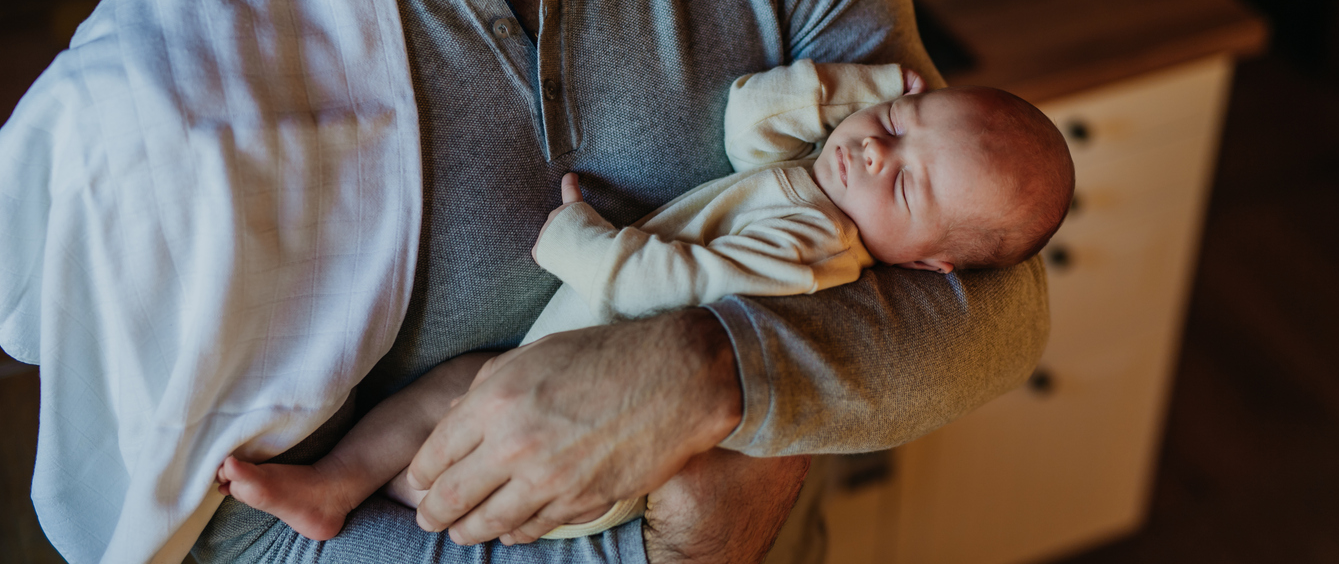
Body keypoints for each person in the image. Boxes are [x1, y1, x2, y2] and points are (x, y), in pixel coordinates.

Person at [0, 0, 1051, 563]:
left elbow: (996, 308)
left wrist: (708, 372)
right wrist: (682, 534)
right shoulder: (173, 99)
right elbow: (235, 545)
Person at [212, 59, 1073, 546]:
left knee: (459, 425)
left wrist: (574, 238)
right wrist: (856, 94)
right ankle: (334, 487)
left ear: (926, 263)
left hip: (594, 430)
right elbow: (748, 121)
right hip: (551, 366)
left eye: (908, 183)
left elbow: (677, 285)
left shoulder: (813, 248)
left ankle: (358, 495)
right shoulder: (817, 179)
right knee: (460, 391)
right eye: (895, 125)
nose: (875, 155)